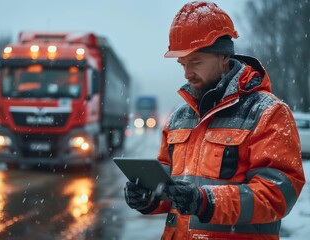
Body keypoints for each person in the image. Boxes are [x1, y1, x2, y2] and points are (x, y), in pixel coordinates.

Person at [124, 1, 305, 240]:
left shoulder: (267, 113)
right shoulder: (180, 116)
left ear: (223, 56)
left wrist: (207, 202)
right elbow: (169, 188)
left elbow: (278, 195)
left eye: (195, 62)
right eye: (183, 64)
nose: (187, 74)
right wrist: (148, 197)